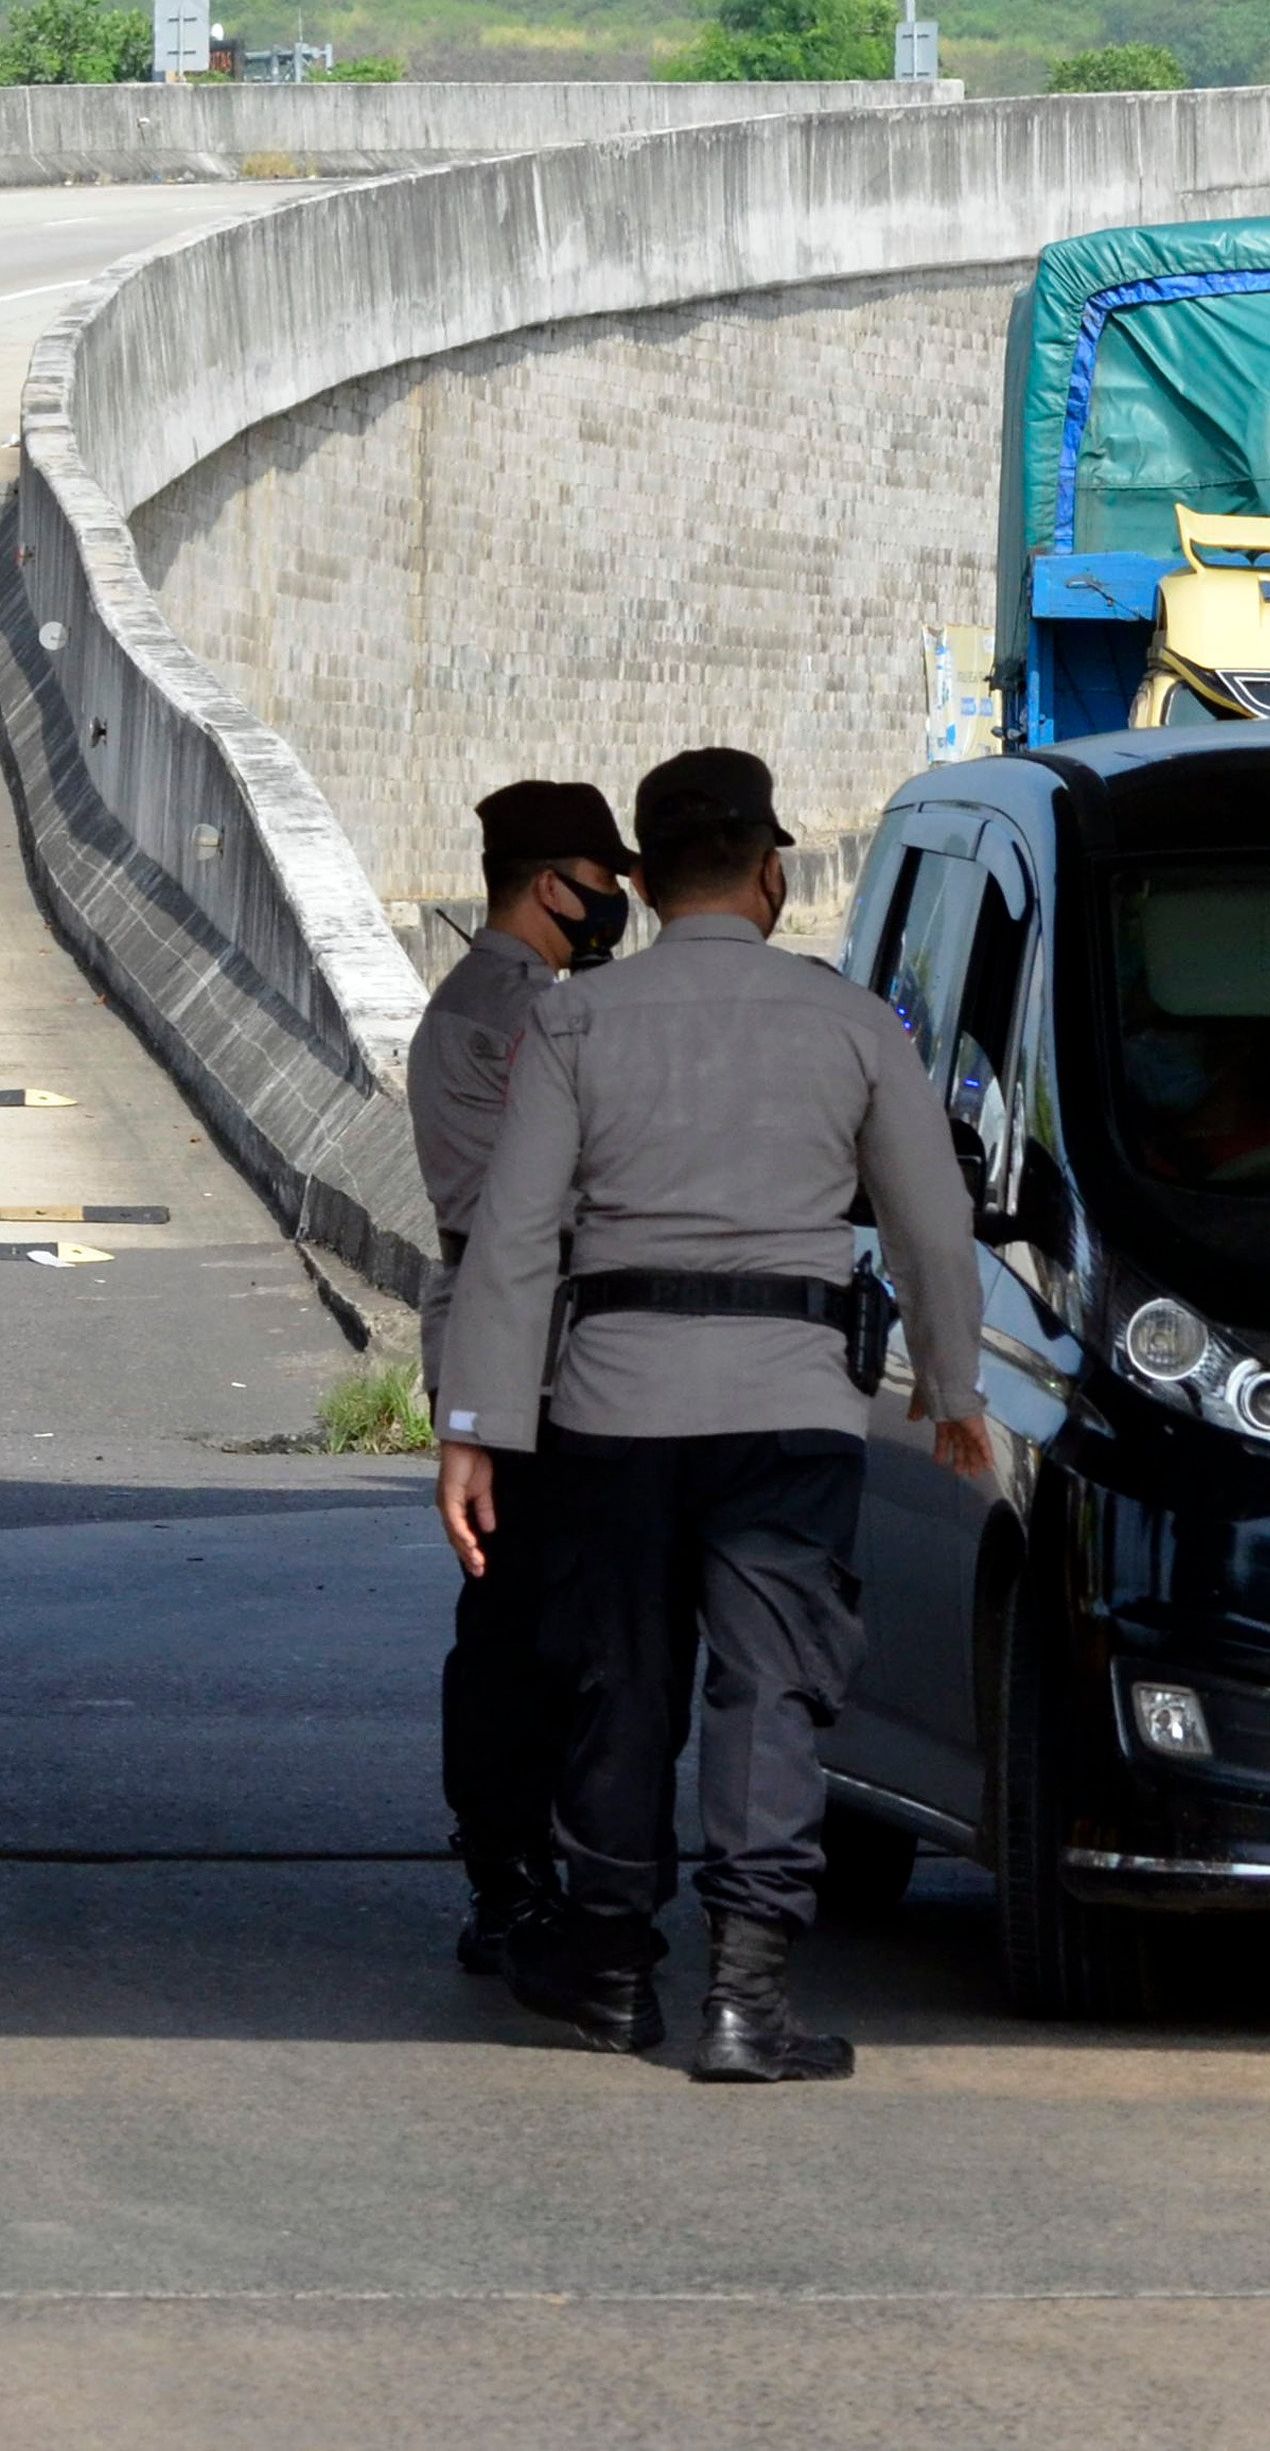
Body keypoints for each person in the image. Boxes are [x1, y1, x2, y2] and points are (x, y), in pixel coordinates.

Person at [437, 746, 988, 2083]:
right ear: (770, 869)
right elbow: (930, 1227)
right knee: (770, 1691)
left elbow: (513, 1236)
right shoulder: (851, 1021)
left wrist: (478, 1424)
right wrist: (958, 1392)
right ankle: (746, 2000)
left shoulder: (576, 1022)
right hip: (789, 1412)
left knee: (619, 1683)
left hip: (613, 1411)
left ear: (645, 872)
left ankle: (616, 1972)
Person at [406, 778, 634, 1975]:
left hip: (579, 1346)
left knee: (578, 1625)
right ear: (551, 883)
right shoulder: (482, 1017)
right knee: (506, 1628)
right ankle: (502, 1869)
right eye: (605, 884)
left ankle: (561, 1851)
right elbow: (501, 1206)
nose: (618, 905)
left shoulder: (558, 1005)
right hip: (509, 1344)